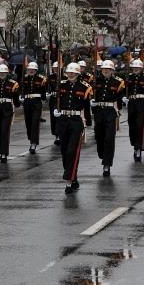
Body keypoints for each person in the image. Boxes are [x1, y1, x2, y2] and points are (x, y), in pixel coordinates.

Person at [55, 63, 92, 194]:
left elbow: (86, 107)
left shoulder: (85, 87)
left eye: (73, 73)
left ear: (77, 74)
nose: (70, 75)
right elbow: (56, 101)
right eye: (68, 73)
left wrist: (87, 122)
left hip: (76, 122)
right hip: (63, 120)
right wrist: (56, 111)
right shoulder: (62, 85)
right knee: (64, 151)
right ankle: (73, 177)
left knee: (72, 151)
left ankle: (69, 181)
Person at [89, 59, 125, 177]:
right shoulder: (95, 81)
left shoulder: (117, 82)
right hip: (99, 111)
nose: (105, 71)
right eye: (104, 69)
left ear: (112, 71)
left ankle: (107, 164)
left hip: (110, 111)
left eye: (108, 69)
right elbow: (89, 94)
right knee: (99, 136)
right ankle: (102, 154)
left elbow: (119, 97)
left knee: (109, 138)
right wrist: (91, 102)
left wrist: (121, 105)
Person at [0, 64, 20, 163]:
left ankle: (4, 153)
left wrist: (17, 104)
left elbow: (15, 96)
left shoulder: (12, 84)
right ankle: (0, 145)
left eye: (4, 72)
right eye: (0, 72)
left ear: (7, 73)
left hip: (7, 108)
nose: (2, 74)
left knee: (4, 130)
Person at [125, 59, 144, 162]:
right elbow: (125, 90)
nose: (135, 69)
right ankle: (134, 144)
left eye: (137, 68)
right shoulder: (129, 78)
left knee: (140, 125)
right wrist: (125, 97)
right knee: (131, 125)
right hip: (131, 103)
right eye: (134, 68)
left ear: (141, 68)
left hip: (141, 103)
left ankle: (138, 148)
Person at [20, 62, 48, 154]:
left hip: (36, 102)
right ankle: (31, 137)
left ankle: (34, 143)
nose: (31, 71)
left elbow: (44, 91)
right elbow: (21, 90)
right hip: (27, 102)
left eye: (33, 69)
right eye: (29, 69)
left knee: (35, 122)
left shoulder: (41, 79)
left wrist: (44, 98)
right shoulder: (24, 79)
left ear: (36, 70)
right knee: (28, 122)